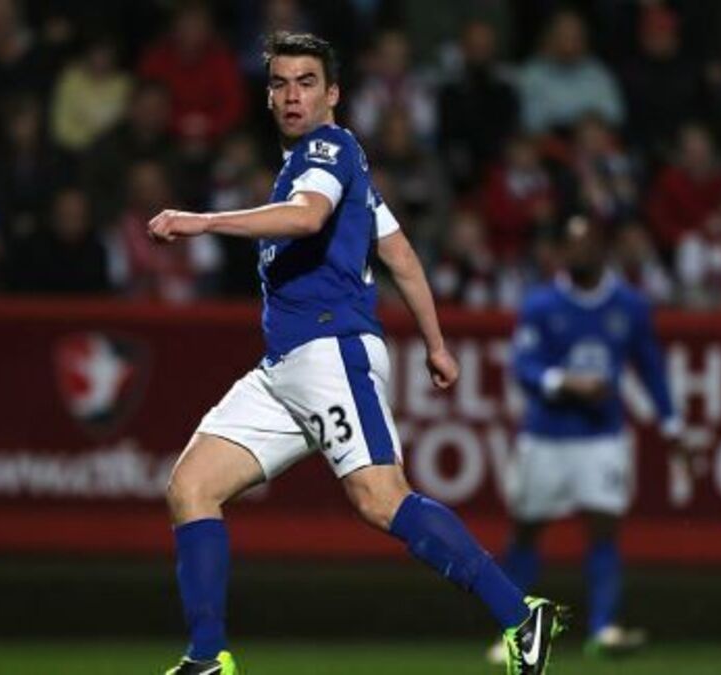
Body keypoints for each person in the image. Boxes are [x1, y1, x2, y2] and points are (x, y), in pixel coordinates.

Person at [148, 32, 566, 675]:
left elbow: (306, 217)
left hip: (328, 351)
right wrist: (435, 344)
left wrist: (203, 222)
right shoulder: (333, 166)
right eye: (280, 83)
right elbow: (399, 254)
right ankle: (206, 659)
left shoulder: (328, 149)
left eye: (307, 82)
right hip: (284, 366)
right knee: (191, 487)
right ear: (268, 97)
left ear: (333, 94)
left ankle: (520, 615)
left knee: (380, 497)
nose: (293, 95)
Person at [497, 215, 681, 659]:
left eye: (587, 243)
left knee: (604, 527)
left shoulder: (629, 305)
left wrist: (672, 424)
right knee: (527, 530)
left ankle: (602, 629)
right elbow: (523, 366)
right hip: (546, 433)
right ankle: (513, 632)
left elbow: (651, 366)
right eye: (571, 244)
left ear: (603, 248)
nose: (579, 252)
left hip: (602, 434)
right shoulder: (541, 304)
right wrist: (565, 382)